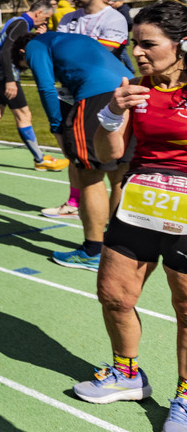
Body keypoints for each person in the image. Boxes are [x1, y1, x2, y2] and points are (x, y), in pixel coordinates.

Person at [69, 0, 187, 432]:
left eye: (148, 44)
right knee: (114, 295)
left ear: (182, 45)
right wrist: (113, 113)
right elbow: (107, 155)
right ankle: (126, 374)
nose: (137, 52)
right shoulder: (135, 88)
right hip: (138, 206)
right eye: (135, 43)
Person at [12, 31, 132, 271]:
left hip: (96, 95)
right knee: (121, 172)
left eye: (25, 66)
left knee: (90, 175)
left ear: (23, 53)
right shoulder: (71, 38)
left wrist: (56, 126)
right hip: (130, 88)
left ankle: (93, 251)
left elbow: (46, 87)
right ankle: (121, 248)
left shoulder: (35, 45)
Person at [44, 0, 134, 216]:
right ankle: (74, 203)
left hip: (100, 97)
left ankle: (115, 218)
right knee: (75, 156)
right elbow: (57, 56)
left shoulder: (113, 18)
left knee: (110, 160)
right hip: (67, 95)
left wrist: (67, 55)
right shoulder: (68, 19)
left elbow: (98, 59)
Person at [0, 1, 69, 172]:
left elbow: (15, 48)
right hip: (4, 77)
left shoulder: (18, 22)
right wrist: (10, 80)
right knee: (24, 115)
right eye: (45, 18)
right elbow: (6, 51)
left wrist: (37, 36)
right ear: (38, 12)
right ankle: (39, 159)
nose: (45, 22)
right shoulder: (22, 24)